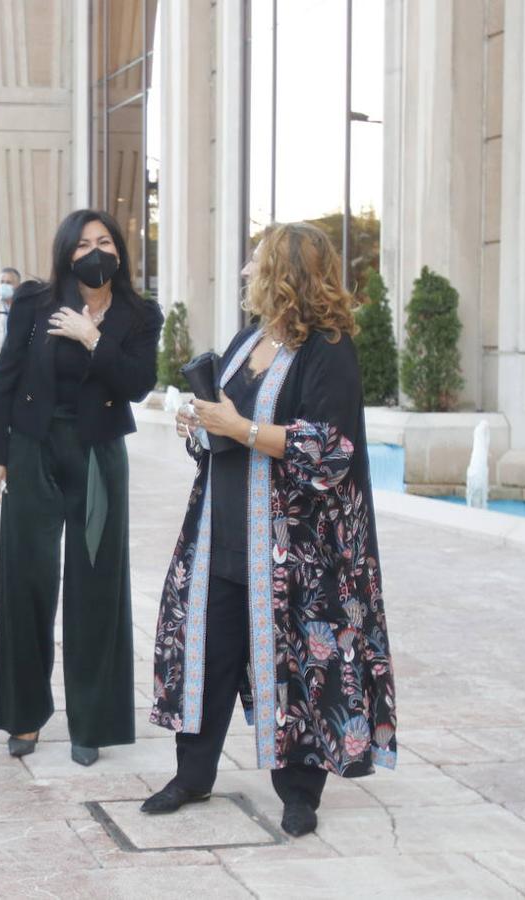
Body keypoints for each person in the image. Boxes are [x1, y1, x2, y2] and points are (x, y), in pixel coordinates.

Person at [142, 221, 398, 837]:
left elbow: (331, 449)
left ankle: (299, 794)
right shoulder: (248, 338)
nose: (245, 272)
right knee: (206, 650)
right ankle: (192, 775)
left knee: (296, 665)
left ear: (286, 274)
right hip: (220, 532)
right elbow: (226, 424)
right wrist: (201, 425)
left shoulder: (328, 348)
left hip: (296, 553)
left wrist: (240, 429)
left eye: (256, 262)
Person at [0, 211, 162, 767]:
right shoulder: (35, 304)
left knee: (97, 586)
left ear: (119, 251)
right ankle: (24, 716)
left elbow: (137, 383)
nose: (94, 251)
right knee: (26, 580)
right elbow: (5, 379)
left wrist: (93, 337)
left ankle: (94, 721)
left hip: (98, 454)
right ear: (65, 252)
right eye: (83, 243)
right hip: (33, 448)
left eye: (104, 241)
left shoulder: (139, 313)